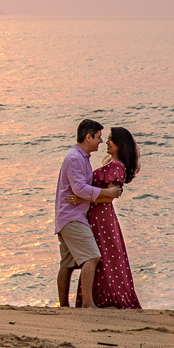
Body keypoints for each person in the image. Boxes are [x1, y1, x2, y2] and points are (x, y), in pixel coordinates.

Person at [69, 127, 143, 309]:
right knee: (101, 257)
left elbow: (110, 196)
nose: (107, 142)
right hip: (97, 216)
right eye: (107, 138)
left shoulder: (117, 166)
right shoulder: (112, 165)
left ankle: (105, 298)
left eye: (111, 139)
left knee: (103, 257)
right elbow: (108, 193)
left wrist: (81, 197)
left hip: (102, 217)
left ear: (120, 144)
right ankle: (97, 298)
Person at [55, 119, 122, 308]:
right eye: (99, 137)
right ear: (88, 137)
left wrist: (83, 196)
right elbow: (79, 189)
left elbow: (79, 190)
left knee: (67, 264)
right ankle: (87, 304)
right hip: (72, 218)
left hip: (67, 216)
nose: (101, 141)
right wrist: (108, 193)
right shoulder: (75, 158)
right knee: (92, 257)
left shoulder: (81, 158)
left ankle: (63, 307)